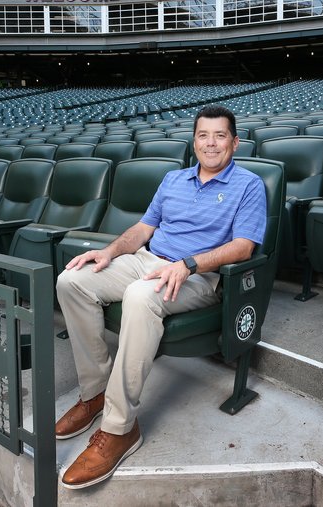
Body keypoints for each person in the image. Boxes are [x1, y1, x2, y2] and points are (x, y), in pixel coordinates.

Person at [54, 104, 267, 490]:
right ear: (194, 141)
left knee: (139, 296)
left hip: (199, 276)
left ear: (235, 142)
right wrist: (108, 252)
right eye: (203, 135)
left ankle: (120, 428)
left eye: (220, 135)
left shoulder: (249, 185)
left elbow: (243, 248)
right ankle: (96, 392)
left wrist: (187, 264)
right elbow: (142, 229)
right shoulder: (174, 179)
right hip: (148, 260)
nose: (211, 143)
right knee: (72, 281)